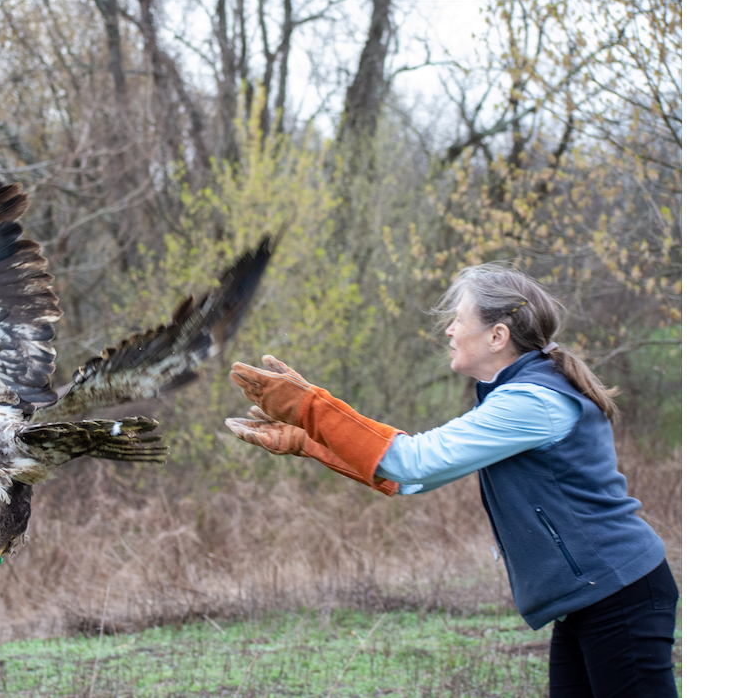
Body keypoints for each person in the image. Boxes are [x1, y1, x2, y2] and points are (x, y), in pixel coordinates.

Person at [225, 263, 678, 698]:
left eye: (458, 320)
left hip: (619, 593)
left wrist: (312, 409)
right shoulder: (515, 396)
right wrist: (313, 442)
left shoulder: (532, 402)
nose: (449, 331)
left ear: (497, 336)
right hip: (592, 597)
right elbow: (410, 479)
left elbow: (412, 462)